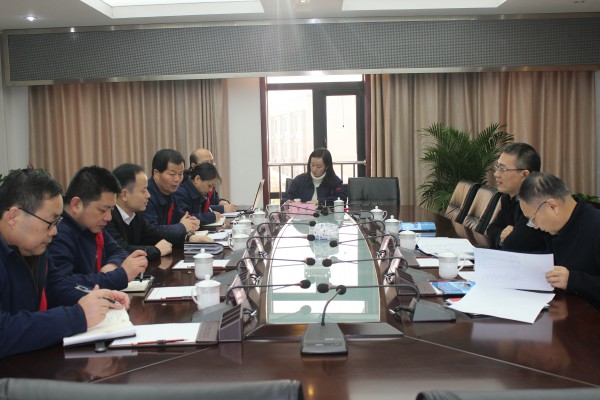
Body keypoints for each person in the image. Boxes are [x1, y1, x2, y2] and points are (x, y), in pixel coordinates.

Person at [0, 169, 129, 358]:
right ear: (13, 217)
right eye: (50, 223)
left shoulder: (35, 248)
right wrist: (78, 316)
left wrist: (97, 297)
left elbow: (56, 286)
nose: (54, 232)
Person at [46, 166, 148, 307]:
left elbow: (119, 251)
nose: (109, 217)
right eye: (103, 210)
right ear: (76, 205)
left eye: (111, 209)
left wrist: (112, 265)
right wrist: (120, 275)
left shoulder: (90, 225)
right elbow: (63, 287)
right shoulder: (57, 234)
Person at [519, 172, 600, 308]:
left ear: (553, 206)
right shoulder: (559, 227)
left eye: (533, 219)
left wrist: (573, 280)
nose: (535, 226)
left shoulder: (595, 227)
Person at [107, 163, 212, 261]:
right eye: (143, 191)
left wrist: (188, 238)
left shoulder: (135, 214)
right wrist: (156, 250)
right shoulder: (107, 218)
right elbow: (122, 250)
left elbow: (155, 235)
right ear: (124, 195)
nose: (148, 195)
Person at [486, 142, 547, 252]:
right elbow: (491, 229)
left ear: (525, 175)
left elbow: (515, 244)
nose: (496, 174)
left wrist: (506, 238)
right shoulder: (507, 198)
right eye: (497, 167)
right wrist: (501, 235)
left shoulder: (537, 202)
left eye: (503, 169)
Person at [143, 149, 200, 237]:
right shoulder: (146, 196)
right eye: (172, 174)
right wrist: (182, 227)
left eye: (180, 174)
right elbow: (151, 232)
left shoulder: (171, 192)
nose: (177, 179)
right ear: (156, 173)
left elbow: (179, 217)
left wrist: (191, 222)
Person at [281, 148, 347, 206]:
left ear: (327, 166)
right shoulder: (300, 180)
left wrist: (319, 202)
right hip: (303, 215)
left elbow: (342, 199)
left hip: (326, 215)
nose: (314, 169)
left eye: (318, 166)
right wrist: (287, 201)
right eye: (312, 165)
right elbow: (286, 197)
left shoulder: (335, 181)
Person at [189, 148, 237, 213]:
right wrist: (222, 208)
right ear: (194, 166)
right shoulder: (190, 184)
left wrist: (221, 202)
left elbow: (213, 200)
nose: (210, 166)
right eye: (206, 163)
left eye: (211, 162)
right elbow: (200, 209)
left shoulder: (208, 179)